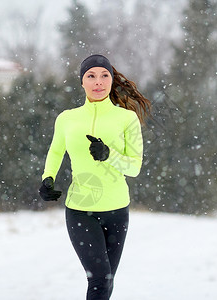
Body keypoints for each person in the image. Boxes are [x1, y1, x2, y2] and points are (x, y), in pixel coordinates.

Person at [39, 54, 151, 300]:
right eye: (91, 76)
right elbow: (56, 150)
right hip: (80, 210)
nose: (98, 82)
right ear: (82, 82)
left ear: (111, 80)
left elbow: (134, 167)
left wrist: (108, 155)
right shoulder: (67, 118)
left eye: (104, 75)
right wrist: (48, 178)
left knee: (106, 282)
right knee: (99, 280)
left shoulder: (127, 119)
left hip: (117, 211)